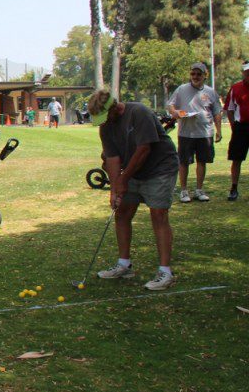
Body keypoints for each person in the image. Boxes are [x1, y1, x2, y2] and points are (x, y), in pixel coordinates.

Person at [88, 90, 179, 291]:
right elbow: (112, 159)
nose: (103, 122)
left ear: (114, 108)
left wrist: (123, 179)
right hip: (133, 170)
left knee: (158, 214)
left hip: (160, 167)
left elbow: (144, 149)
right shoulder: (106, 127)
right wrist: (114, 190)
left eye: (104, 116)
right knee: (122, 213)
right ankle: (124, 265)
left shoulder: (139, 112)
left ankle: (165, 272)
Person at [167, 61, 222, 203]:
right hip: (186, 133)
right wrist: (175, 112)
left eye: (198, 74)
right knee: (184, 162)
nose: (195, 76)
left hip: (205, 133)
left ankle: (199, 190)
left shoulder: (210, 92)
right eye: (193, 73)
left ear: (205, 75)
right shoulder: (182, 89)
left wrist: (219, 131)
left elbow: (217, 112)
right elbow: (170, 105)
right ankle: (184, 191)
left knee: (202, 161)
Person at [222, 61, 249, 201]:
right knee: (236, 158)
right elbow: (230, 109)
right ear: (243, 72)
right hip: (241, 127)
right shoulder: (236, 88)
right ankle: (234, 188)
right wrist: (234, 127)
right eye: (247, 72)